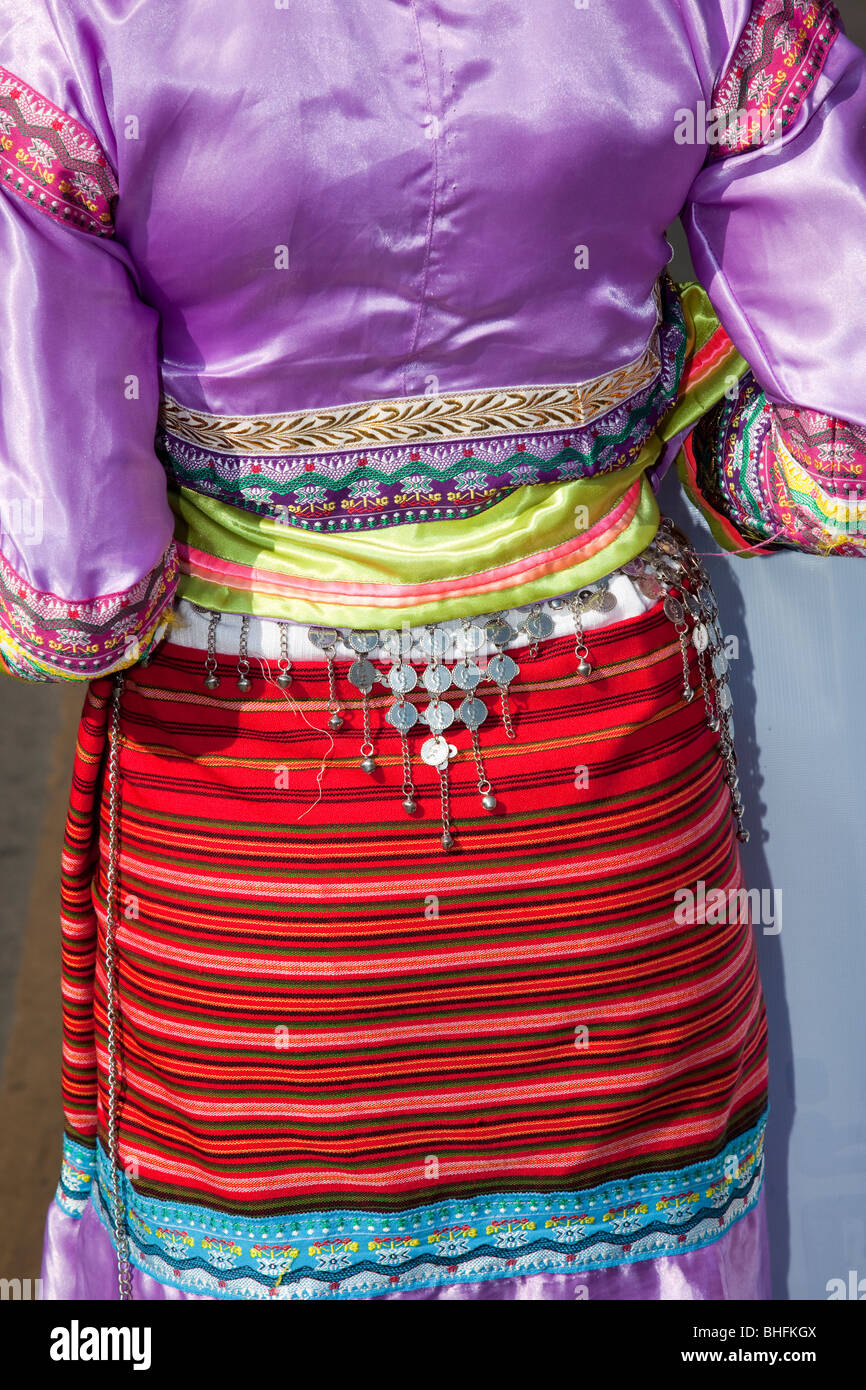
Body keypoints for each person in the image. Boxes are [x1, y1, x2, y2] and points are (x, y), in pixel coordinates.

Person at [0, 0, 862, 1301]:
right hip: (605, 828)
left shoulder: (68, 29)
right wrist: (682, 444)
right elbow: (839, 452)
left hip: (259, 865)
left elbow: (71, 586)